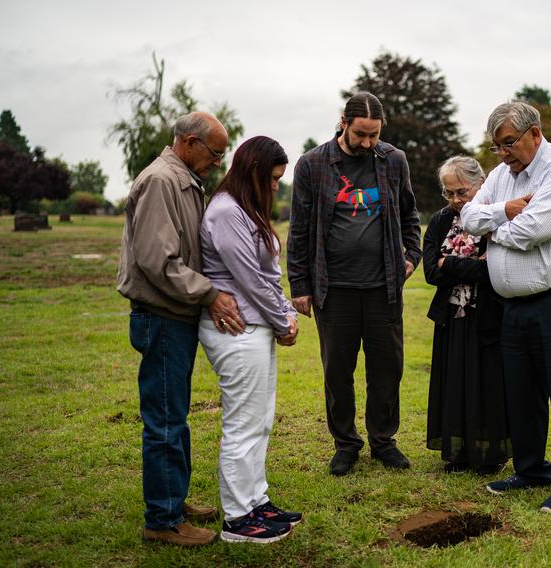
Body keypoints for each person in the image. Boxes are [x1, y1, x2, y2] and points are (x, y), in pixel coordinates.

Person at [459, 101, 551, 513]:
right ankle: (531, 469)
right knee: (520, 392)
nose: (502, 154)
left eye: (509, 143)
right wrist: (504, 210)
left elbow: (534, 230)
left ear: (534, 133)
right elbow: (466, 215)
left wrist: (493, 229)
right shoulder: (502, 176)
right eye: (496, 146)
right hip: (514, 304)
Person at [118, 111, 245, 546]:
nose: (217, 161)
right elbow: (159, 261)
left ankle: (173, 498)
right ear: (190, 142)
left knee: (176, 415)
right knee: (165, 421)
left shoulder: (185, 179)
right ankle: (163, 521)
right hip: (162, 317)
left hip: (176, 315)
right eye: (215, 153)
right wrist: (210, 293)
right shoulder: (162, 181)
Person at [287, 92, 421, 476]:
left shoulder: (393, 160)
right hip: (334, 289)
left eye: (374, 135)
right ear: (343, 122)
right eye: (361, 134)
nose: (367, 143)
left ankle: (383, 441)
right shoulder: (313, 165)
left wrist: (411, 255)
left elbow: (411, 214)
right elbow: (298, 230)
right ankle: (345, 444)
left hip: (384, 289)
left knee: (387, 369)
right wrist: (299, 284)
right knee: (337, 373)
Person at [198, 136, 302, 543]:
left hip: (257, 325)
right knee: (243, 423)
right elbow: (249, 278)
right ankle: (238, 519)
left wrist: (285, 313)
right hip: (237, 329)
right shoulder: (226, 212)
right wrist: (283, 319)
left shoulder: (245, 210)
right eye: (273, 178)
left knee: (260, 420)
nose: (276, 186)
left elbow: (269, 277)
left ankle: (257, 501)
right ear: (255, 173)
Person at [422, 156, 511, 474]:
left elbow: (497, 270)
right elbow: (431, 271)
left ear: (480, 185)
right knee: (454, 383)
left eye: (462, 192)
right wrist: (473, 265)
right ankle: (459, 452)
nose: (456, 200)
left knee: (486, 383)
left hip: (487, 315)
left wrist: (453, 264)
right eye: (449, 193)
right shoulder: (440, 220)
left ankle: (491, 455)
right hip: (451, 316)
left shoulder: (496, 217)